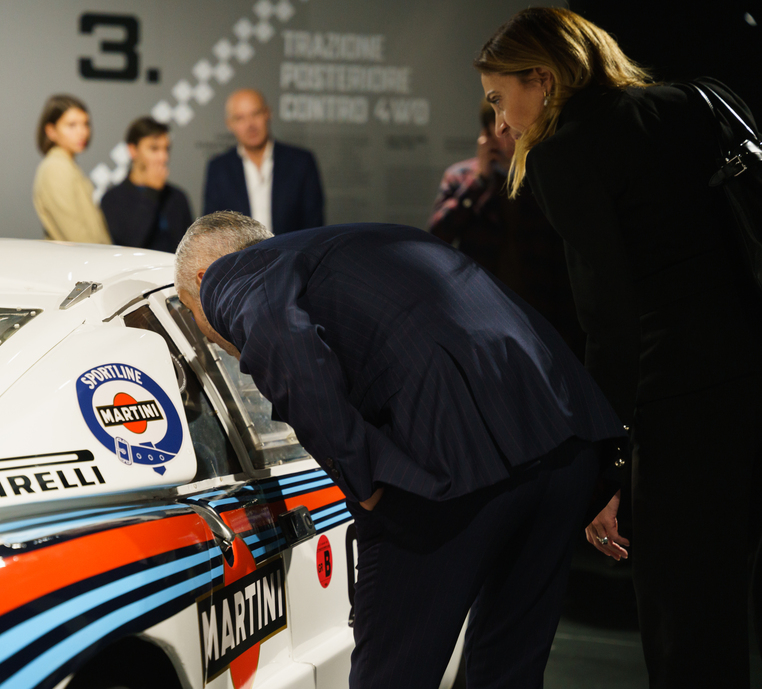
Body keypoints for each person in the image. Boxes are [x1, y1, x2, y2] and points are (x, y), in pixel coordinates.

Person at [174, 211, 626, 688]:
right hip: (565, 440)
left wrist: (367, 482)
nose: (213, 338)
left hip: (450, 470)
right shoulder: (372, 239)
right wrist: (602, 471)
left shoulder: (230, 275)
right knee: (509, 670)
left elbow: (290, 353)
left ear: (203, 279)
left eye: (194, 316)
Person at [476, 8, 762, 688]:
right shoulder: (696, 100)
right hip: (752, 381)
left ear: (542, 79)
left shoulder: (565, 152)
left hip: (684, 412)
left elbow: (610, 322)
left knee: (687, 623)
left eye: (499, 98)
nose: (501, 122)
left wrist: (609, 465)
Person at [428, 102, 583, 358]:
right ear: (487, 133)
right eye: (500, 128)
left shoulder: (541, 175)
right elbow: (437, 233)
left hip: (539, 313)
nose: (510, 136)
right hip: (479, 312)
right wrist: (480, 180)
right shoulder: (462, 176)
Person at [202, 89, 323, 235]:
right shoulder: (219, 168)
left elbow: (314, 226)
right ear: (229, 124)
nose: (250, 124)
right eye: (240, 118)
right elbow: (212, 230)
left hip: (292, 249)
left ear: (268, 114)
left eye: (256, 114)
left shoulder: (301, 162)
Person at [100, 117, 192, 252]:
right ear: (133, 150)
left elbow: (189, 250)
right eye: (154, 149)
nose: (163, 157)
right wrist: (152, 192)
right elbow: (129, 244)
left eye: (166, 149)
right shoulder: (113, 199)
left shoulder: (177, 197)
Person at [32, 94, 110, 244]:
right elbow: (76, 235)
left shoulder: (66, 165)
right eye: (72, 125)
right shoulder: (56, 168)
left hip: (88, 256)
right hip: (81, 257)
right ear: (51, 131)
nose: (82, 132)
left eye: (85, 124)